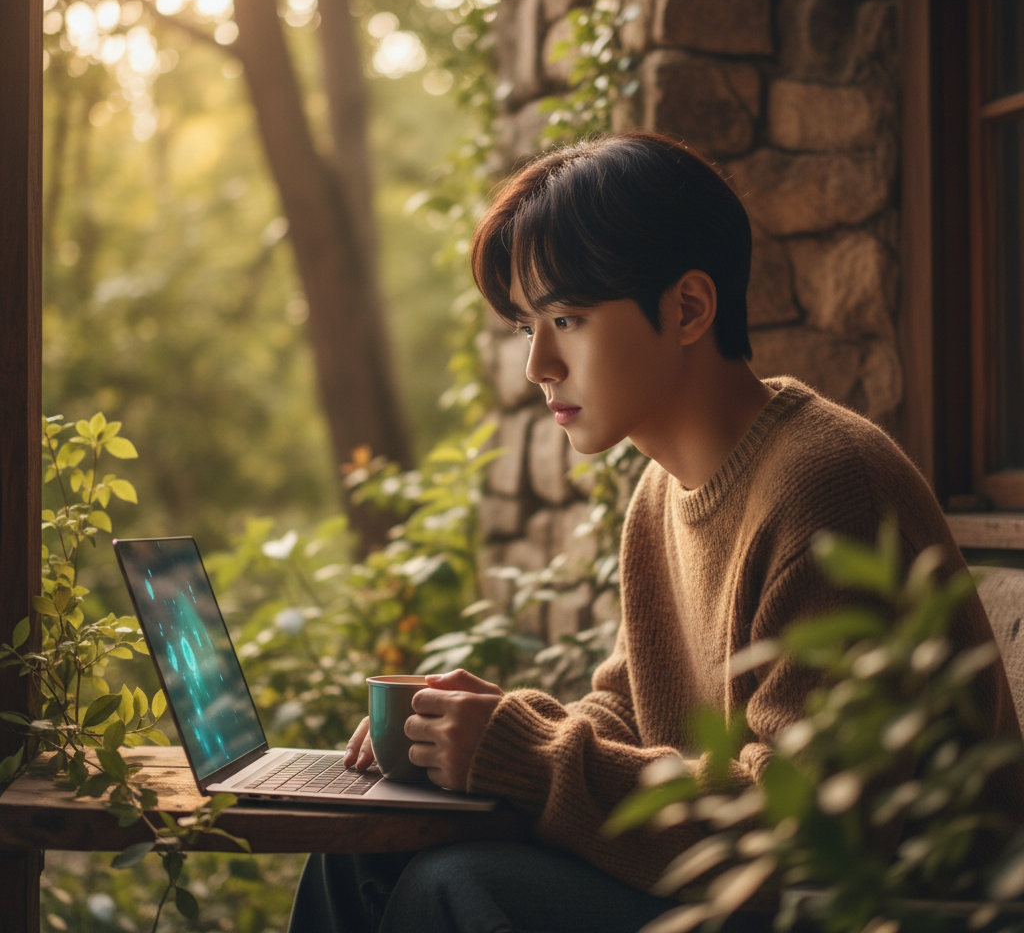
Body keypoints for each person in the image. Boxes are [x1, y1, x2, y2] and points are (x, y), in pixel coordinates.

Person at [289, 131, 1022, 933]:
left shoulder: (826, 484)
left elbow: (809, 827)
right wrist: (478, 739)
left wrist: (528, 761)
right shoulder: (660, 493)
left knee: (459, 883)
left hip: (878, 908)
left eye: (566, 318)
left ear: (688, 309)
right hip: (741, 888)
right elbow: (628, 716)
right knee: (359, 842)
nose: (538, 363)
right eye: (525, 325)